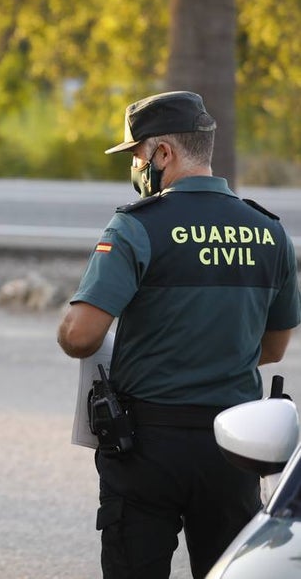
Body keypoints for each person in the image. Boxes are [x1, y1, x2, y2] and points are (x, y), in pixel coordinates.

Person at [56, 90, 300, 579]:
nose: (136, 166)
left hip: (147, 446)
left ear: (163, 152)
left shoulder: (135, 227)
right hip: (236, 446)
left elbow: (81, 337)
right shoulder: (270, 232)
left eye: (137, 155)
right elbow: (272, 349)